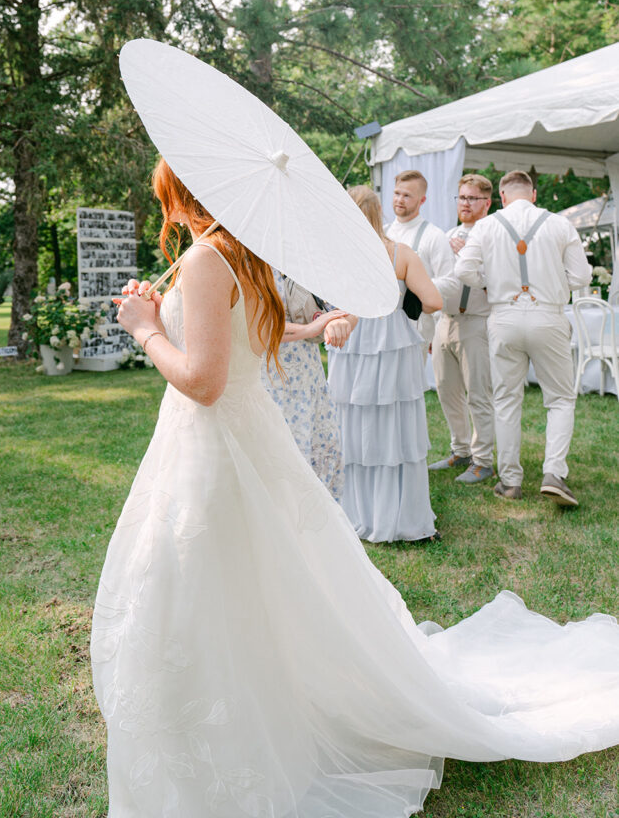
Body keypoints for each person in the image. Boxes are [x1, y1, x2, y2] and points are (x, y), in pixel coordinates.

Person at [92, 157, 619, 818]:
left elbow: (203, 381)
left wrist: (144, 329)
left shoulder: (206, 259)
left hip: (214, 443)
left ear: (181, 190)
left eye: (163, 189)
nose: (161, 199)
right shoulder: (244, 254)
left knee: (204, 580)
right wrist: (161, 314)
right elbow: (238, 343)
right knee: (251, 582)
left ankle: (223, 721)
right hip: (243, 438)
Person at [455, 170, 592, 505]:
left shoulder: (487, 226)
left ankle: (511, 481)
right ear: (533, 195)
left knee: (506, 399)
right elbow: (581, 275)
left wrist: (492, 281)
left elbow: (463, 271)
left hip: (503, 317)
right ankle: (554, 473)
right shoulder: (559, 224)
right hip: (548, 315)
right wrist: (552, 283)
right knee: (560, 399)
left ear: (501, 197)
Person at [328, 186, 442, 543]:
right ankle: (400, 516)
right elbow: (434, 301)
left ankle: (356, 511)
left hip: (351, 340)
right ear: (380, 212)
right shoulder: (401, 254)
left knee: (354, 425)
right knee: (396, 428)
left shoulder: (336, 257)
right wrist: (403, 300)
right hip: (393, 343)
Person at [261, 272, 354, 500]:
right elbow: (253, 326)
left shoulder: (300, 261)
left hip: (306, 381)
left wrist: (340, 321)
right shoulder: (245, 262)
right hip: (263, 381)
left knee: (314, 469)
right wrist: (311, 329)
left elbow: (347, 309)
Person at [429, 174, 495, 483]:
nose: (464, 204)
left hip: (476, 321)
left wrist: (465, 254)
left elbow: (496, 280)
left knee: (478, 393)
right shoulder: (447, 234)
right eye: (461, 197)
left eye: (471, 198)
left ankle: (483, 459)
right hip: (445, 320)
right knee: (446, 390)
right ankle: (460, 449)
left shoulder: (494, 234)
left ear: (487, 202)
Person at [384, 169, 457, 357]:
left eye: (407, 196)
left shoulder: (434, 236)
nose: (399, 200)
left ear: (422, 201)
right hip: (382, 326)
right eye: (397, 193)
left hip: (415, 326)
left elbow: (450, 282)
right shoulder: (383, 233)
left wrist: (416, 287)